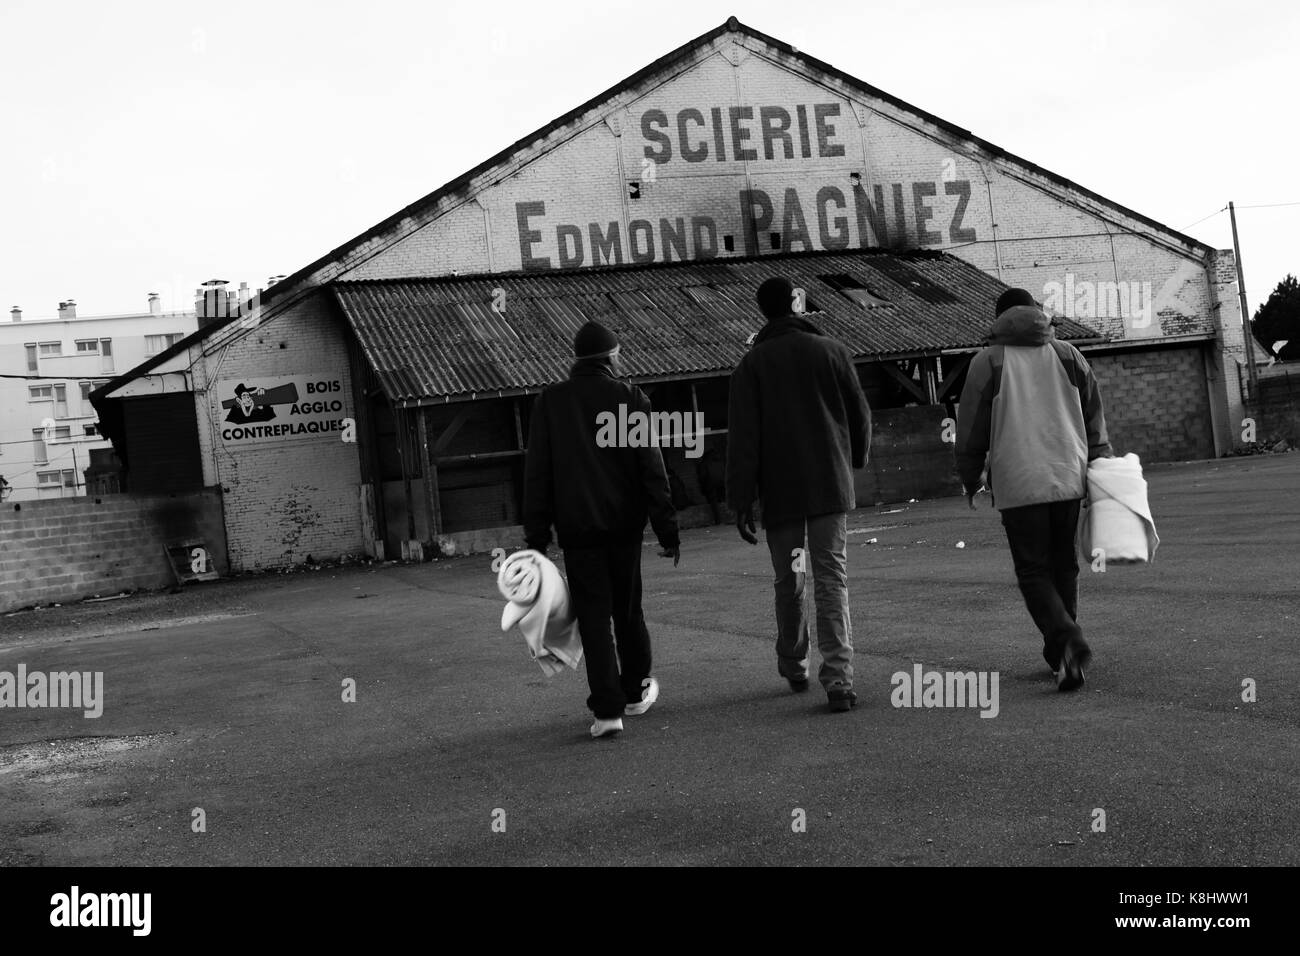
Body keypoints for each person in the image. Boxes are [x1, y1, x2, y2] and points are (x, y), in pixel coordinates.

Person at [523, 321, 681, 739]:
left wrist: (536, 539)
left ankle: (607, 713)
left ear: (577, 359)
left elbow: (537, 474)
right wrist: (667, 531)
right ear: (612, 356)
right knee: (628, 611)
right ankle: (635, 691)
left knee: (593, 618)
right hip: (623, 529)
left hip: (578, 532)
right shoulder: (629, 399)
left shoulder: (550, 403)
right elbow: (652, 470)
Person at [955, 287, 1113, 692]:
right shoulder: (1068, 355)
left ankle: (1067, 640)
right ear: (1038, 313)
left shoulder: (987, 361)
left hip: (1019, 483)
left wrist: (971, 478)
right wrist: (1100, 466)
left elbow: (971, 431)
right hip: (1067, 478)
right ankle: (1062, 654)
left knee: (1033, 572)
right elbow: (1094, 418)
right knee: (1063, 567)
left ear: (999, 318)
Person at [726, 277, 872, 713]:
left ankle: (794, 663)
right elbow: (859, 414)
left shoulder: (751, 367)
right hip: (829, 485)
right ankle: (840, 680)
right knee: (831, 578)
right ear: (797, 304)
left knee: (791, 579)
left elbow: (744, 439)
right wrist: (855, 460)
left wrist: (740, 499)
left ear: (762, 312)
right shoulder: (832, 351)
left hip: (782, 492)